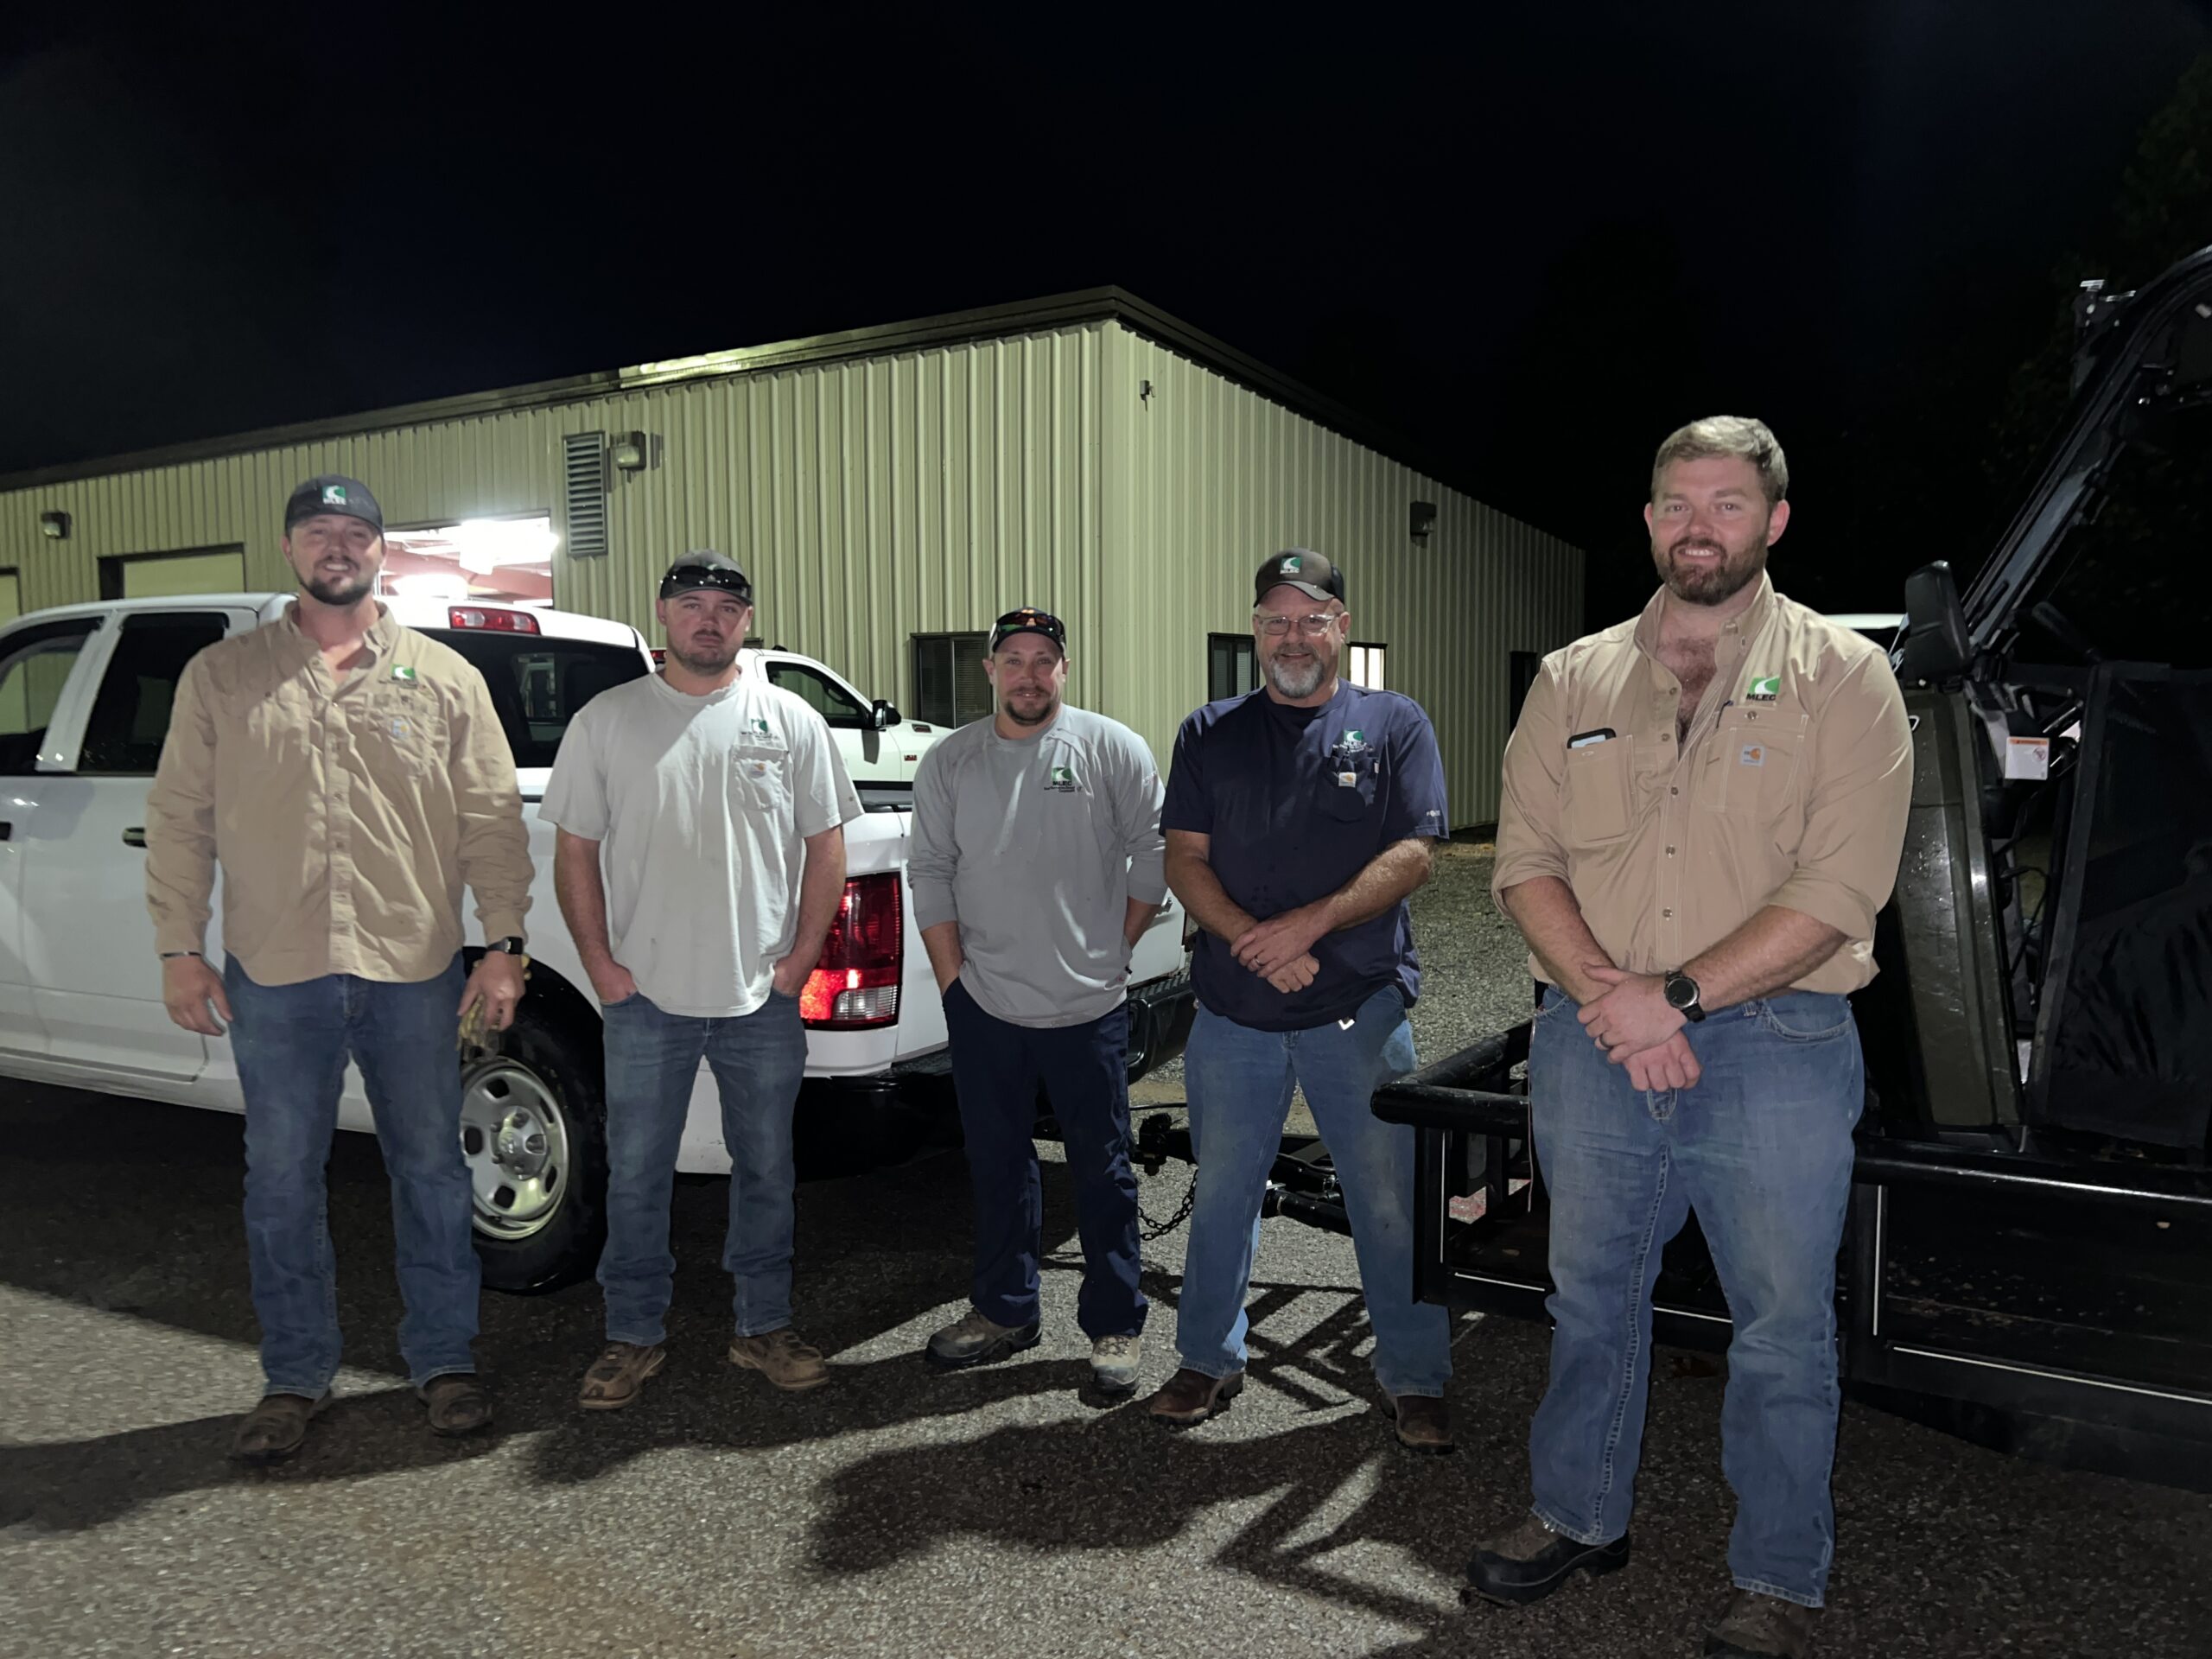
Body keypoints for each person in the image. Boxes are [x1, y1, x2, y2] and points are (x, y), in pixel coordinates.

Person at [1468, 417, 1912, 1659]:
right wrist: (1617, 999)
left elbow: (1840, 891)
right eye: (1677, 501)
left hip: (1778, 1044)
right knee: (1590, 1297)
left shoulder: (1844, 676)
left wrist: (1677, 999)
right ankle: (1577, 1514)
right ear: (1650, 519)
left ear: (1773, 523)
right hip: (1595, 1042)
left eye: (1727, 502)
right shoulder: (1572, 679)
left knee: (1779, 1324)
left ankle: (1779, 1577)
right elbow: (1523, 866)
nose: (1699, 523)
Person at [146, 474, 532, 1463]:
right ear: (289, 550)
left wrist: (503, 943)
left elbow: (491, 818)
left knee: (433, 1172)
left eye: (355, 532)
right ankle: (294, 1374)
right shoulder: (223, 676)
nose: (338, 546)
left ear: (379, 551)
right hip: (277, 971)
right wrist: (181, 949)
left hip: (412, 968)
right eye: (319, 531)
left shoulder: (444, 678)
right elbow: (181, 821)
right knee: (280, 1178)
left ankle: (444, 1361)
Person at [1144, 550, 1454, 1450]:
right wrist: (1256, 940)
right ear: (1255, 631)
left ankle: (1414, 1375)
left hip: (1355, 1008)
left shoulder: (1393, 723)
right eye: (1275, 619)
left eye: (1310, 617)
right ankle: (1206, 1358)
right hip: (1235, 1014)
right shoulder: (1210, 731)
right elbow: (1183, 859)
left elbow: (1415, 855)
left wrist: (1307, 928)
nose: (1292, 635)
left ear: (1341, 626)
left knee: (1385, 1201)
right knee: (1223, 1194)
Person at [544, 550, 861, 1410]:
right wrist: (601, 967)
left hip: (760, 998)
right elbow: (573, 848)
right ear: (662, 615)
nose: (708, 619)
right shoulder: (607, 721)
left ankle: (762, 1327)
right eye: (692, 604)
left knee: (766, 1168)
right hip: (644, 999)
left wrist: (798, 961)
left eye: (726, 605)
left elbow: (825, 847)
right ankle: (631, 1336)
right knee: (637, 1172)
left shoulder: (788, 719)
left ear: (746, 621)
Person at [907, 607, 1167, 1395]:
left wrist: (1113, 951)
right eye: (1013, 659)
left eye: (1043, 659)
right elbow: (930, 871)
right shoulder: (951, 761)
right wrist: (954, 984)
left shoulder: (1111, 747)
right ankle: (1005, 1309)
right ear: (989, 670)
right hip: (984, 1004)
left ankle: (1115, 1321)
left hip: (1087, 1007)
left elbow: (1152, 856)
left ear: (1064, 669)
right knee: (996, 1165)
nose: (1028, 673)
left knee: (1103, 1170)